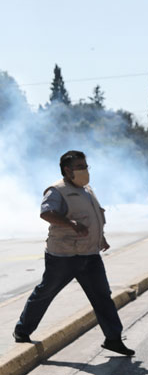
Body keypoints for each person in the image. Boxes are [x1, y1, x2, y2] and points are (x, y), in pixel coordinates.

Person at [14, 151, 134, 356]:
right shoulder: (57, 190)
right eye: (80, 167)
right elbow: (46, 213)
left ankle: (113, 339)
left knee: (102, 296)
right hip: (64, 256)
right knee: (46, 292)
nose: (85, 170)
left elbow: (95, 217)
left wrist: (101, 238)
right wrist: (70, 224)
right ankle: (22, 330)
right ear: (67, 170)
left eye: (86, 166)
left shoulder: (87, 189)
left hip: (90, 255)